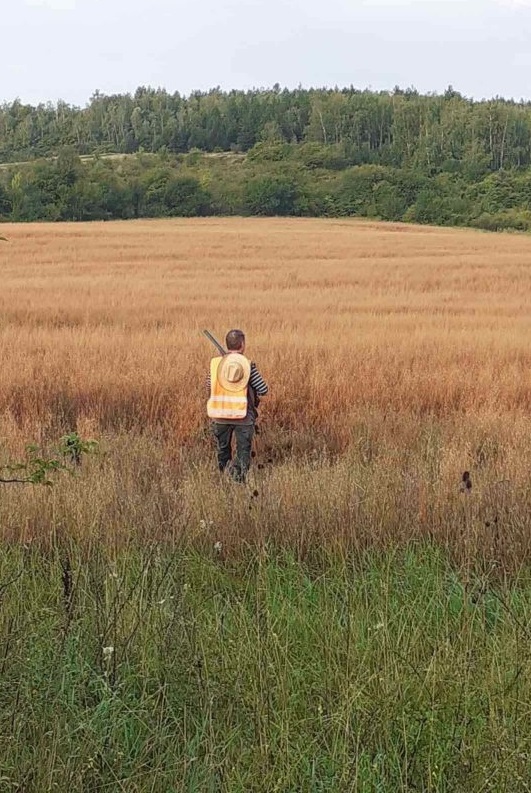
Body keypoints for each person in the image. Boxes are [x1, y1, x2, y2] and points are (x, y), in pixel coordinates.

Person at [207, 329, 268, 483]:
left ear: (227, 344)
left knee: (222, 450)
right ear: (242, 345)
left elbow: (209, 386)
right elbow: (263, 389)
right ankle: (238, 481)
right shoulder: (247, 366)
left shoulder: (215, 365)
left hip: (219, 416)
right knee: (243, 452)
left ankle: (224, 478)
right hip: (243, 417)